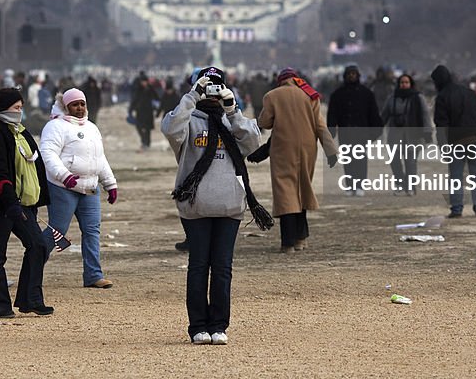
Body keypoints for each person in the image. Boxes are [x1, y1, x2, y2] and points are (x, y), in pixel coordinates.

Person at [162, 66, 268, 345]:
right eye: (206, 85)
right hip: (196, 206)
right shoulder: (187, 120)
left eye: (216, 86)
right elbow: (171, 130)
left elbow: (254, 142)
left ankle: (219, 324)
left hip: (230, 206)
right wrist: (191, 97)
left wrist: (233, 109)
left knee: (222, 267)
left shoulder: (232, 121)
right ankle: (198, 325)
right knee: (198, 265)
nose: (211, 91)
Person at [0, 88, 52, 318]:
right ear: (2, 109)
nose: (20, 112)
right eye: (16, 108)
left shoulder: (21, 132)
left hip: (24, 203)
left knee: (38, 245)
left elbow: (35, 166)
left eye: (21, 107)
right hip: (2, 203)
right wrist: (10, 201)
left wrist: (39, 199)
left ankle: (31, 299)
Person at [40, 88, 118, 288]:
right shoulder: (55, 126)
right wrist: (65, 177)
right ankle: (33, 264)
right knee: (58, 229)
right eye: (75, 104)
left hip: (90, 188)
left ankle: (93, 275)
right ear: (66, 106)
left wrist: (110, 183)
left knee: (92, 230)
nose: (80, 108)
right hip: (62, 187)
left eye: (82, 104)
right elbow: (48, 154)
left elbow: (99, 158)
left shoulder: (92, 127)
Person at [258, 68, 338, 253]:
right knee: (302, 188)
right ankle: (301, 239)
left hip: (283, 148)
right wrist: (331, 150)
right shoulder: (310, 94)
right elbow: (320, 125)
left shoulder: (272, 96)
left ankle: (288, 242)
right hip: (308, 147)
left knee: (286, 192)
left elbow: (265, 123)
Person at [431, 65, 476, 218]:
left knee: (456, 176)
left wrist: (443, 147)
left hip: (455, 141)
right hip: (474, 138)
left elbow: (442, 125)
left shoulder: (442, 97)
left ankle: (457, 208)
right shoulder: (469, 93)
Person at [327, 65, 382, 196]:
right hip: (345, 132)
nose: (351, 76)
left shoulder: (366, 93)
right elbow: (332, 114)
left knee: (361, 160)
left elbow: (373, 114)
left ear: (358, 75)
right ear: (345, 76)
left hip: (361, 132)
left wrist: (375, 132)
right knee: (348, 159)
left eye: (354, 74)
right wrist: (331, 131)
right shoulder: (337, 94)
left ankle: (360, 186)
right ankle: (350, 185)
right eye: (349, 74)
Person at [379, 73, 432, 194]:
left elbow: (425, 115)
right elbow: (385, 114)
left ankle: (410, 186)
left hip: (412, 134)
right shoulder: (392, 98)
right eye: (402, 82)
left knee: (410, 161)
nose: (404, 84)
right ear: (399, 84)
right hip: (394, 133)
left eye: (406, 82)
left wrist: (427, 132)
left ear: (410, 83)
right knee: (394, 160)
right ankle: (400, 183)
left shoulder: (418, 97)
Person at [129, 74, 156, 150]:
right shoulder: (138, 89)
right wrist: (130, 110)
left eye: (145, 81)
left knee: (147, 129)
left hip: (148, 111)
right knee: (139, 127)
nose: (143, 83)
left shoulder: (150, 89)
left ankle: (147, 143)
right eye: (142, 81)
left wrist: (156, 107)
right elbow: (134, 100)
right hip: (140, 111)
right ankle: (144, 141)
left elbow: (156, 98)